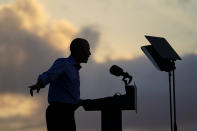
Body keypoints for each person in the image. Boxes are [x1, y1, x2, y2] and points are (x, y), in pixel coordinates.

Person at [28, 38, 91, 131]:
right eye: (87, 50)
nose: (89, 53)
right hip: (58, 113)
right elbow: (49, 74)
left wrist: (81, 102)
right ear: (79, 50)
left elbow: (68, 94)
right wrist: (40, 83)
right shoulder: (64, 63)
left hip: (67, 114)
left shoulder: (74, 69)